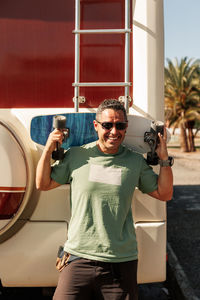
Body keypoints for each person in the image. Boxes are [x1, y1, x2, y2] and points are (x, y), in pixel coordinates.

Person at [36, 99, 173, 300]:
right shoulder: (76, 156)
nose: (114, 131)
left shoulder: (134, 162)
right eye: (107, 125)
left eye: (120, 126)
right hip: (78, 257)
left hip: (120, 262)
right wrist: (48, 149)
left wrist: (164, 159)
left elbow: (165, 194)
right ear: (96, 125)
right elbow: (43, 184)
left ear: (126, 128)